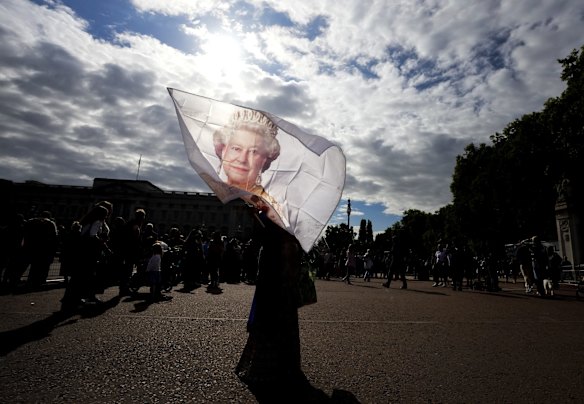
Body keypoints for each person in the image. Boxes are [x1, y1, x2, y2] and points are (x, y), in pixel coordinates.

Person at [235, 209, 309, 398]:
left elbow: (264, 239)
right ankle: (285, 366)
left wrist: (256, 219)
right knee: (282, 320)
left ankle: (267, 368)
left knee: (269, 317)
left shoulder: (270, 214)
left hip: (273, 272)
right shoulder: (289, 214)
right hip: (280, 272)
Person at [213, 109, 285, 225]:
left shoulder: (270, 205)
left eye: (253, 152)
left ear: (264, 160)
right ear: (223, 150)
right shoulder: (215, 187)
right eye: (236, 148)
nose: (242, 159)